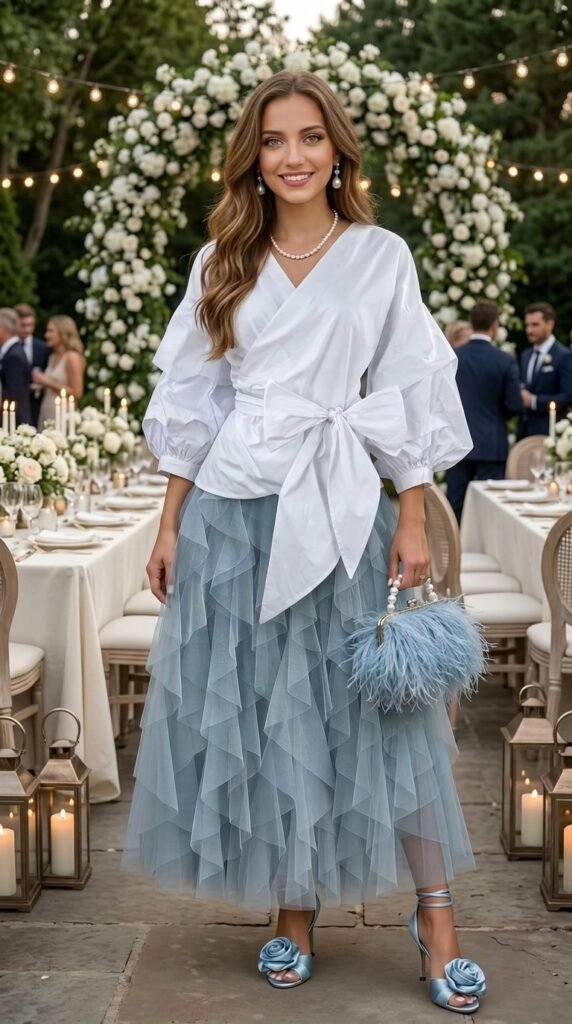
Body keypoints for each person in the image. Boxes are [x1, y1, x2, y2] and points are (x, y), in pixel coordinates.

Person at [124, 72, 486, 1014]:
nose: (293, 156)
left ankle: (437, 916)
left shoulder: (379, 255)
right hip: (234, 515)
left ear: (337, 152)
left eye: (310, 137)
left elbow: (406, 387)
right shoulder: (222, 260)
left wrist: (414, 512)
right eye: (275, 139)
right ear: (254, 156)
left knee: (387, 715)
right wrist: (169, 521)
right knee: (270, 711)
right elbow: (193, 400)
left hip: (341, 511)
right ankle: (294, 906)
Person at [446, 301, 522, 522]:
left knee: (455, 505)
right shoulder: (505, 360)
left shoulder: (453, 356)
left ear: (471, 323)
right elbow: (515, 405)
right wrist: (496, 417)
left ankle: (454, 544)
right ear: (495, 325)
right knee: (491, 507)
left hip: (457, 442)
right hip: (491, 443)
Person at [519, 302, 572, 437]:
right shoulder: (525, 355)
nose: (529, 330)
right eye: (527, 325)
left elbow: (568, 396)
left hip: (550, 432)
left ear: (550, 324)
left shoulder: (564, 356)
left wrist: (535, 401)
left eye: (535, 325)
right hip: (525, 433)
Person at [33, 315, 85, 428]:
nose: (46, 335)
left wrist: (48, 382)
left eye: (51, 331)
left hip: (63, 411)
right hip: (47, 407)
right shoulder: (52, 357)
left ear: (63, 333)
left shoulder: (72, 357)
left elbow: (77, 392)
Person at [14, 302, 50, 428]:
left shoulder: (42, 348)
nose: (27, 329)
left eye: (30, 325)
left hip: (37, 405)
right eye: (23, 325)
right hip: (13, 405)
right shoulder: (6, 347)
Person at [0, 307, 31, 425]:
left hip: (14, 420)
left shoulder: (14, 356)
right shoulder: (11, 351)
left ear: (3, 329)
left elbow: (14, 393)